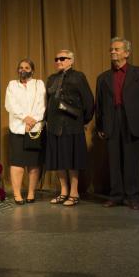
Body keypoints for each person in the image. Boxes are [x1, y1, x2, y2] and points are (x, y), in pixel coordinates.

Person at [96, 37, 139, 210]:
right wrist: (100, 126)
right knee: (114, 161)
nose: (113, 52)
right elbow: (99, 105)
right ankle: (116, 195)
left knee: (132, 160)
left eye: (117, 49)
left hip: (133, 121)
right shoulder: (103, 77)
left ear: (127, 53)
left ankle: (133, 196)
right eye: (111, 49)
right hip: (112, 120)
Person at [45, 50, 94, 207]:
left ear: (71, 61)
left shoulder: (78, 77)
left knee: (73, 160)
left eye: (62, 58)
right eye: (56, 58)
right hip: (54, 125)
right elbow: (47, 100)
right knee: (59, 160)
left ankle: (74, 192)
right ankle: (63, 191)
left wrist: (83, 120)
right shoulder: (52, 78)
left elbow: (88, 101)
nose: (59, 61)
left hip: (72, 125)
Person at [5, 59, 46, 205]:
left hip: (35, 129)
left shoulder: (39, 84)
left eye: (27, 67)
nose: (23, 69)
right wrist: (25, 118)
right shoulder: (12, 85)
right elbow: (10, 104)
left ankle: (31, 193)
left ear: (32, 70)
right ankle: (17, 194)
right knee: (17, 163)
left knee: (33, 163)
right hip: (17, 128)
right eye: (21, 67)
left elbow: (42, 104)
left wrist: (33, 120)